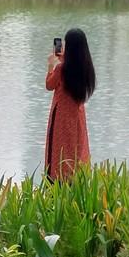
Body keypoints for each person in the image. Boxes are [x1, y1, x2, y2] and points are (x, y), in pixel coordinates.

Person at [45, 28, 95, 182]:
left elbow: (49, 85)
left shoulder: (61, 69)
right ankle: (76, 179)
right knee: (76, 147)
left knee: (59, 148)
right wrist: (62, 59)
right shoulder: (86, 68)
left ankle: (56, 181)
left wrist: (51, 65)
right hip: (77, 115)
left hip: (61, 116)